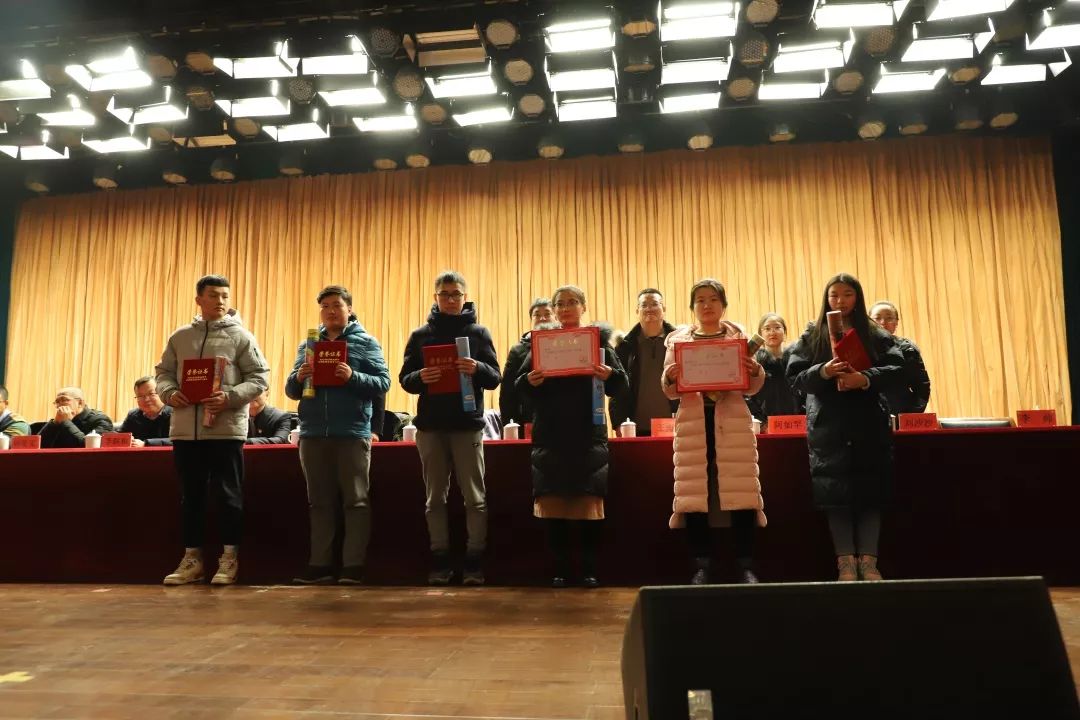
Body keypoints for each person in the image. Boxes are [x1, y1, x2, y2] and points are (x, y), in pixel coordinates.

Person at [787, 274, 906, 583]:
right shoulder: (812, 335)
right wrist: (824, 371)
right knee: (835, 496)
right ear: (826, 299)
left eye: (847, 294)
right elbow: (795, 378)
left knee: (871, 495)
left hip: (869, 426)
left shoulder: (875, 332)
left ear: (858, 297)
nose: (840, 301)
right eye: (834, 295)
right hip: (829, 429)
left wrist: (864, 378)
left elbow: (897, 370)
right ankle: (845, 565)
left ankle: (869, 563)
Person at [155, 275, 269, 586]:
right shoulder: (180, 337)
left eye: (224, 296)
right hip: (185, 431)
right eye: (213, 295)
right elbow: (163, 373)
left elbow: (259, 377)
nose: (220, 301)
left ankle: (229, 558)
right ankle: (192, 560)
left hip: (225, 430)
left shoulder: (241, 336)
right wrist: (169, 393)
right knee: (191, 497)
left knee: (228, 496)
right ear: (199, 300)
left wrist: (229, 397)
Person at [515, 285, 628, 588]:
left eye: (572, 302)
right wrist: (530, 380)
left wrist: (609, 375)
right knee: (554, 507)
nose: (566, 308)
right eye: (560, 304)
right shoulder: (542, 344)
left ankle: (589, 570)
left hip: (588, 436)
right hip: (550, 436)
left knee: (588, 506)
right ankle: (560, 570)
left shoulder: (598, 342)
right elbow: (519, 386)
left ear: (583, 307)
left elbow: (622, 385)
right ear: (553, 310)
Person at [399, 271, 501, 586]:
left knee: (475, 498)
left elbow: (495, 377)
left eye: (456, 294)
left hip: (468, 426)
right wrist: (420, 377)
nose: (451, 299)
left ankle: (474, 561)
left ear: (465, 297)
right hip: (431, 428)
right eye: (445, 294)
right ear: (436, 298)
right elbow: (405, 379)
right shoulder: (420, 335)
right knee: (434, 499)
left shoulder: (479, 333)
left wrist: (477, 367)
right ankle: (440, 559)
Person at [662, 280, 767, 585]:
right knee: (694, 494)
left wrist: (755, 371)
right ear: (692, 307)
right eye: (700, 300)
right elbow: (669, 391)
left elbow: (751, 387)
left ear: (723, 304)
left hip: (731, 421)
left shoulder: (739, 339)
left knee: (742, 490)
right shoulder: (677, 342)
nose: (706, 305)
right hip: (693, 423)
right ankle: (701, 565)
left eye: (713, 299)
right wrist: (670, 377)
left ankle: (745, 565)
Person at [286, 285, 390, 585]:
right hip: (313, 432)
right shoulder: (309, 344)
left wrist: (353, 376)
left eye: (337, 305)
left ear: (349, 309)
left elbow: (383, 382)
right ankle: (320, 566)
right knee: (319, 502)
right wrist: (298, 377)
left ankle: (353, 566)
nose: (331, 311)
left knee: (355, 502)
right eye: (325, 306)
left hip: (352, 433)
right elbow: (291, 390)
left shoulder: (366, 342)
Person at [610, 288, 679, 437]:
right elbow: (617, 389)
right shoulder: (625, 347)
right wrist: (618, 422)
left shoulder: (679, 343)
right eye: (644, 305)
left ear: (664, 308)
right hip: (634, 427)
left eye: (654, 304)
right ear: (637, 310)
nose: (649, 309)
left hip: (675, 426)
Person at [869, 301, 931, 416]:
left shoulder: (907, 349)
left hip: (900, 414)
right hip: (869, 416)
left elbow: (922, 387)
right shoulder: (861, 348)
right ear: (869, 322)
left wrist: (910, 416)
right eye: (877, 318)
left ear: (896, 322)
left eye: (889, 318)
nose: (883, 323)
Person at [499, 298, 554, 428]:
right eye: (537, 315)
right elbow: (507, 392)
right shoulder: (518, 350)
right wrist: (510, 424)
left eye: (547, 314)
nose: (542, 318)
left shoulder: (565, 346)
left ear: (556, 317)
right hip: (529, 419)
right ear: (531, 319)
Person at [745, 313, 804, 424]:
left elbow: (805, 389)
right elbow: (748, 396)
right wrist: (761, 421)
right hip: (766, 423)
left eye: (777, 327)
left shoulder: (795, 359)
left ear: (784, 332)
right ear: (760, 334)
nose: (772, 332)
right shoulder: (755, 362)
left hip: (796, 421)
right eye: (767, 329)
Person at [37, 387, 114, 448]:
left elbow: (88, 446)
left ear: (80, 403)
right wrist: (55, 423)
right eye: (57, 402)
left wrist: (66, 422)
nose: (59, 405)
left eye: (64, 400)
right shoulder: (59, 420)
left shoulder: (101, 420)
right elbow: (38, 446)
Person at [120, 377, 173, 447]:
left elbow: (179, 441)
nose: (146, 399)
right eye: (140, 396)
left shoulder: (176, 414)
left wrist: (146, 444)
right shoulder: (133, 416)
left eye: (151, 394)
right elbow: (121, 435)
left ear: (161, 393)